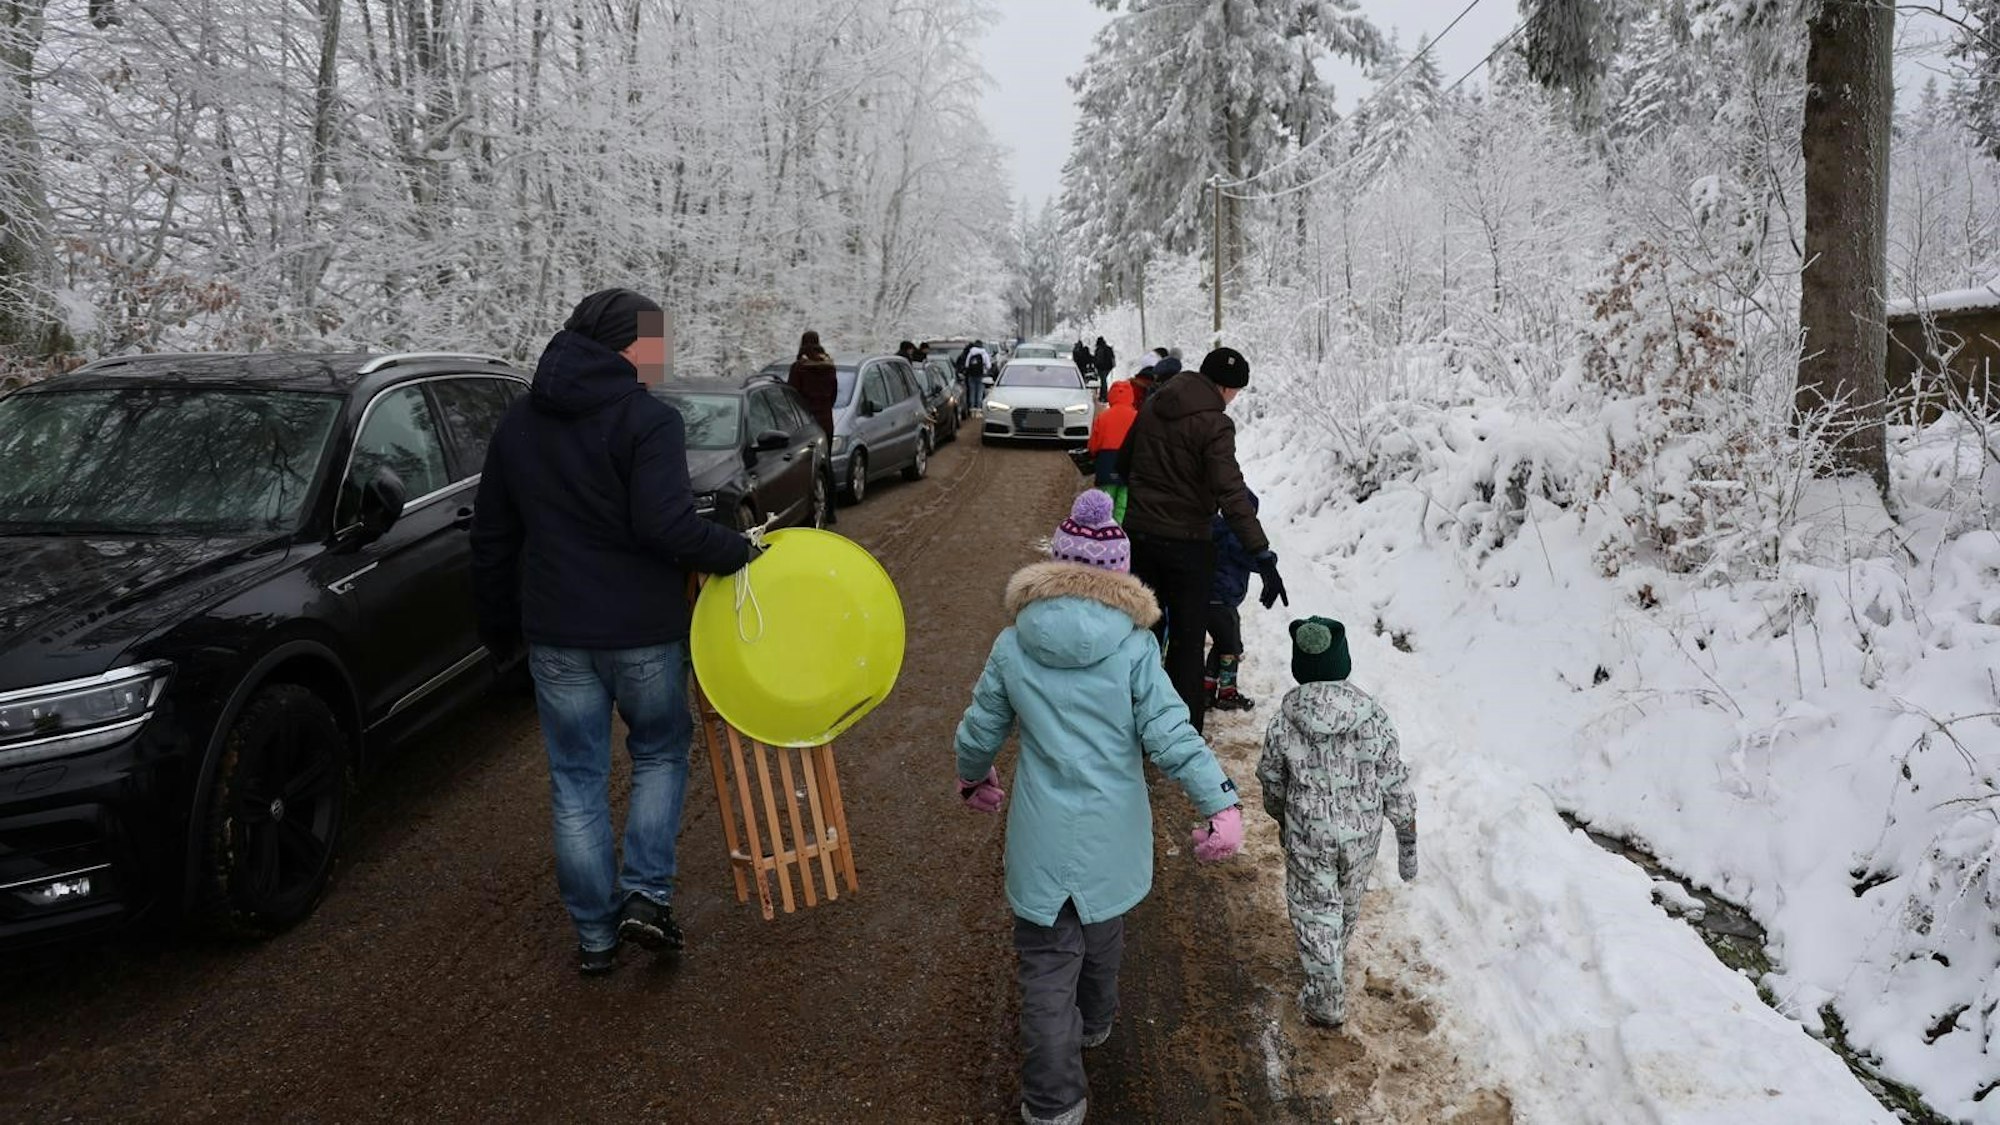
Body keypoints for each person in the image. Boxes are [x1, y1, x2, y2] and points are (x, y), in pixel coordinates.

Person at [472, 288, 755, 976]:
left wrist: (500, 633)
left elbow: (492, 540)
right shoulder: (647, 419)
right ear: (625, 344)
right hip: (643, 633)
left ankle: (596, 935)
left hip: (557, 635)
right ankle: (646, 897)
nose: (662, 354)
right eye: (654, 341)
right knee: (659, 752)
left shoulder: (517, 425)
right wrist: (737, 550)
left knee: (576, 778)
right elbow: (664, 524)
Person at [955, 489, 1244, 1125]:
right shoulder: (1136, 650)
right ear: (1119, 577)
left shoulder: (1014, 644)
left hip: (1040, 832)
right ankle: (1098, 1021)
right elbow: (1172, 733)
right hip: (1113, 835)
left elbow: (980, 727)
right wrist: (1219, 801)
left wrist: (974, 779)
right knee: (1103, 932)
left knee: (1045, 968)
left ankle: (1053, 1101)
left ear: (1054, 570)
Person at [1256, 616, 1417, 1029]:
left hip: (1310, 832)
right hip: (1363, 831)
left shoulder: (1285, 721)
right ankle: (1330, 959)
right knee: (1346, 901)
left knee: (1315, 909)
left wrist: (1281, 816)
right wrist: (1405, 833)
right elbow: (1393, 776)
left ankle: (1325, 990)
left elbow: (1272, 777)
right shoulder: (1373, 717)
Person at [1118, 346, 1285, 733]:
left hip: (1140, 538)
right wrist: (1261, 554)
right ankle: (1181, 734)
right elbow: (1231, 494)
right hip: (1188, 546)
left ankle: (1129, 722)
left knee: (1142, 633)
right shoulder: (1214, 424)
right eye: (1235, 392)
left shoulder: (1154, 404)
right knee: (1187, 645)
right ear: (1226, 388)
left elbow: (1124, 465)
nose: (1233, 400)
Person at [1205, 488, 1266, 711]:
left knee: (1221, 644)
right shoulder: (1236, 536)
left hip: (1208, 597)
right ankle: (1227, 693)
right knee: (1231, 647)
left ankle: (1207, 688)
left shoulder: (1216, 527)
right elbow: (1253, 560)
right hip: (1224, 600)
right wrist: (1267, 557)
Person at [788, 331, 840, 526]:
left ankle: (805, 510)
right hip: (826, 421)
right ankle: (831, 511)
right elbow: (834, 394)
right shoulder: (829, 367)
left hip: (805, 422)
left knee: (804, 466)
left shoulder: (799, 368)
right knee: (827, 465)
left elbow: (792, 395)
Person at [1086, 379, 1139, 522]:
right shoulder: (1137, 417)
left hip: (1106, 461)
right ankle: (1119, 530)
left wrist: (1092, 453)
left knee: (1105, 499)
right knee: (1124, 500)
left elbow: (1093, 445)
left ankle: (1103, 527)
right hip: (1129, 462)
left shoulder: (1103, 417)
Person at [961, 339, 993, 410]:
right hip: (981, 375)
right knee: (980, 392)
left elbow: (966, 365)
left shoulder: (971, 353)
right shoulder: (984, 354)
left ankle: (972, 407)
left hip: (971, 375)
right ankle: (979, 407)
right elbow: (989, 366)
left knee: (972, 391)